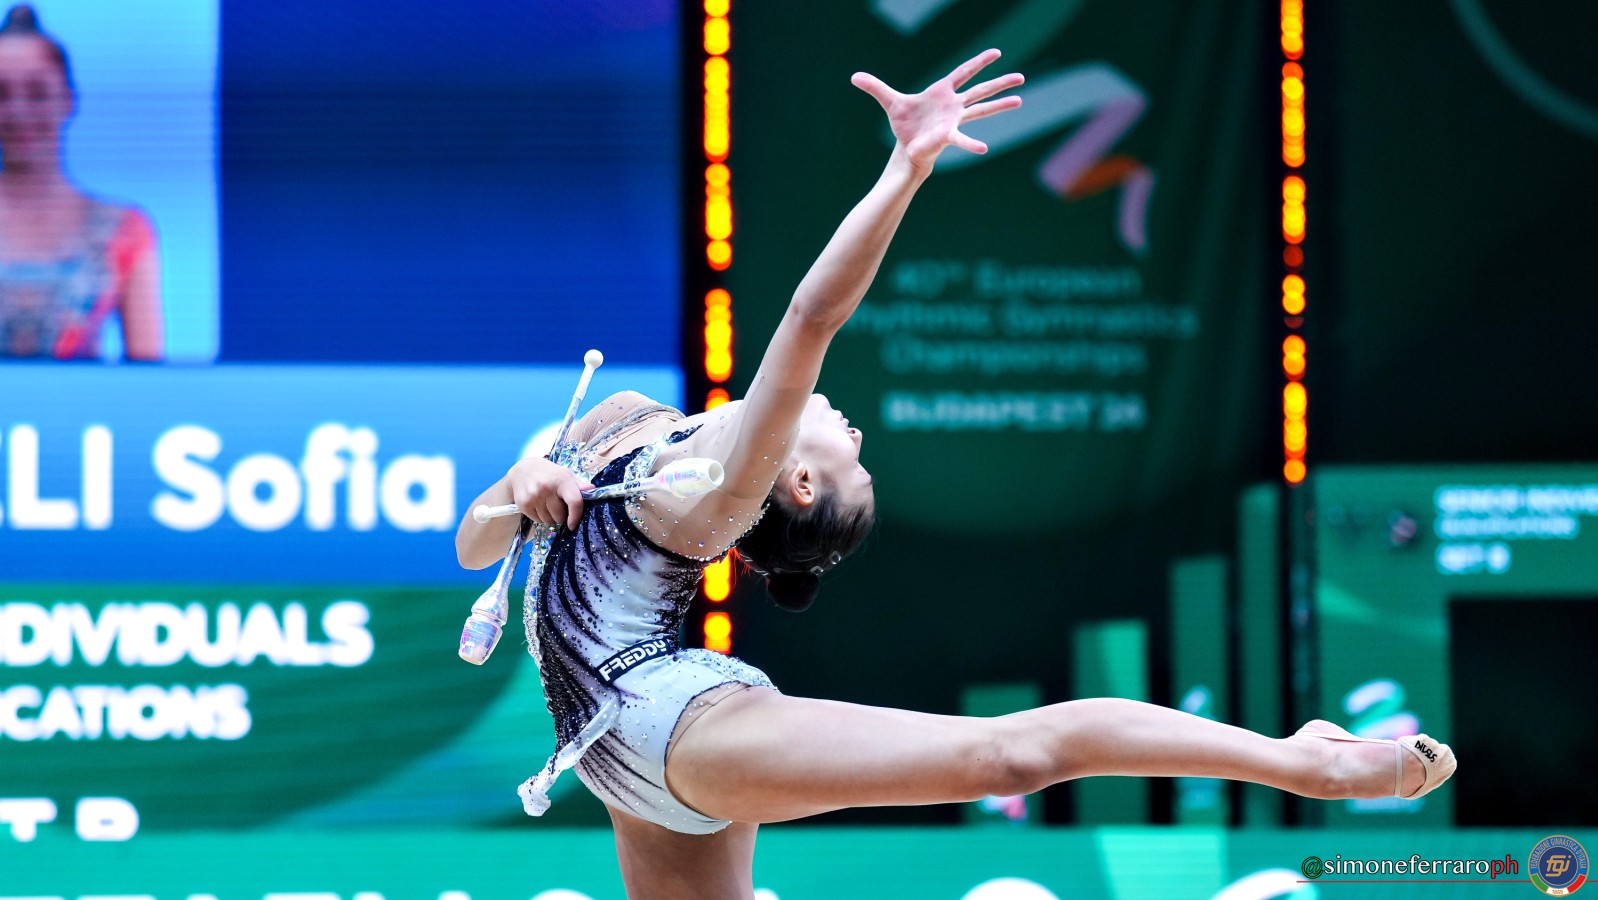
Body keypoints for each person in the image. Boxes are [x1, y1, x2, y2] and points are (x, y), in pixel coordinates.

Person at [456, 50, 1456, 899]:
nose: (854, 430)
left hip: (673, 722)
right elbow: (473, 545)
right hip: (615, 760)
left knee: (1007, 754)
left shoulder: (721, 492)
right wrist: (520, 483)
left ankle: (1304, 762)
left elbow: (812, 315)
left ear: (792, 484)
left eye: (851, 461)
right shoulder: (630, 420)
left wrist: (907, 168)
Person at [0, 4, 162, 360]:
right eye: (2, 94)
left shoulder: (124, 228)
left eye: (37, 93)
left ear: (68, 98)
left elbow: (149, 378)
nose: (18, 112)